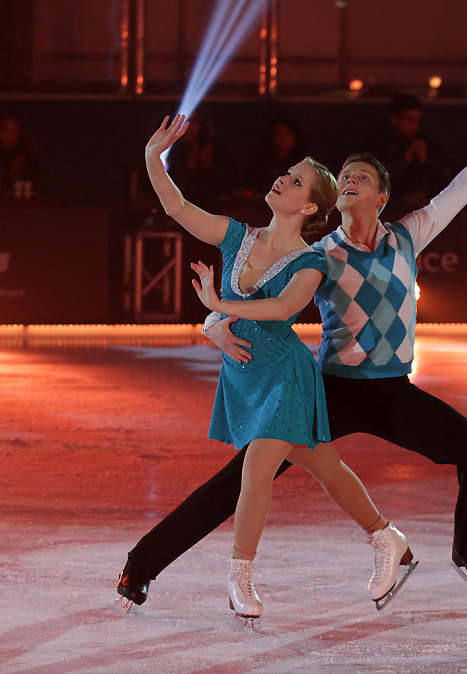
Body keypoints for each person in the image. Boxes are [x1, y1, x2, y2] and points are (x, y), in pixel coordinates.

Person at [117, 116, 467, 608]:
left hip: (394, 393)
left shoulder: (410, 236)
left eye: (363, 177)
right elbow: (262, 297)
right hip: (329, 389)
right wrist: (212, 325)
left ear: (381, 198)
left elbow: (464, 185)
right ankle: (143, 564)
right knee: (243, 477)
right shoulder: (318, 254)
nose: (351, 181)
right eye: (346, 176)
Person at [136, 114, 416, 620]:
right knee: (324, 466)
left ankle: (239, 575)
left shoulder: (311, 262)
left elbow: (282, 310)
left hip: (286, 375)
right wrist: (154, 156)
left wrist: (219, 307)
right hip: (247, 375)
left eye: (294, 180)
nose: (281, 179)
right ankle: (386, 536)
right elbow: (176, 206)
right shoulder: (237, 236)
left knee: (257, 470)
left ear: (309, 205)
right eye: (285, 173)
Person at [360, 93, 451, 217]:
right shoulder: (378, 144)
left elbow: (444, 177)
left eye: (418, 121)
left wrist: (426, 160)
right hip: (386, 210)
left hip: (420, 211)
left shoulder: (424, 141)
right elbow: (376, 181)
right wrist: (404, 159)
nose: (415, 126)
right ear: (395, 119)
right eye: (409, 120)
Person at [166, 113, 237, 212]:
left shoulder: (212, 148)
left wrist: (209, 166)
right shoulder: (169, 151)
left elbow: (228, 183)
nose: (189, 127)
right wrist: (187, 169)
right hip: (179, 212)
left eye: (194, 122)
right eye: (184, 122)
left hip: (208, 211)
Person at [243, 115, 309, 196]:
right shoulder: (262, 163)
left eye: (287, 133)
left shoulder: (303, 164)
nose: (283, 138)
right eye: (278, 134)